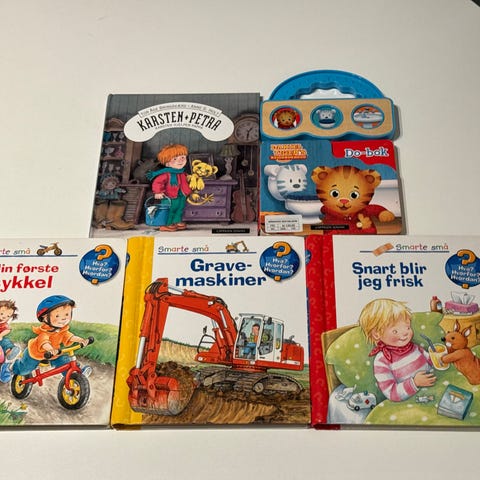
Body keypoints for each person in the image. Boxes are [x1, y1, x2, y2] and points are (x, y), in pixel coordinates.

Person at [359, 298, 436, 402]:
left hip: (432, 386)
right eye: (395, 331)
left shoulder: (413, 347)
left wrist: (438, 359)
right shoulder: (382, 360)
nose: (405, 333)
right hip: (412, 399)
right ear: (377, 334)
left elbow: (431, 361)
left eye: (407, 327)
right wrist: (415, 383)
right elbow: (391, 393)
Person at [12, 295, 91, 377]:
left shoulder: (62, 330)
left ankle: (75, 375)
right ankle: (13, 367)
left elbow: (70, 337)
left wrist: (81, 340)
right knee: (25, 369)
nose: (64, 319)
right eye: (57, 316)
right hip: (35, 353)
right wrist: (51, 349)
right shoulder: (44, 333)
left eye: (67, 314)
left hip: (53, 354)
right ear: (45, 318)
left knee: (64, 361)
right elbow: (44, 343)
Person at [147, 144, 192, 232]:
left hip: (181, 195)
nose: (180, 160)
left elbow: (186, 182)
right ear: (167, 163)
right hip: (169, 196)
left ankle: (177, 221)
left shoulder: (183, 173)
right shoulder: (166, 174)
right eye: (175, 159)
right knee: (170, 210)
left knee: (180, 208)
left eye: (182, 157)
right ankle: (166, 224)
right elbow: (158, 182)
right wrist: (158, 192)